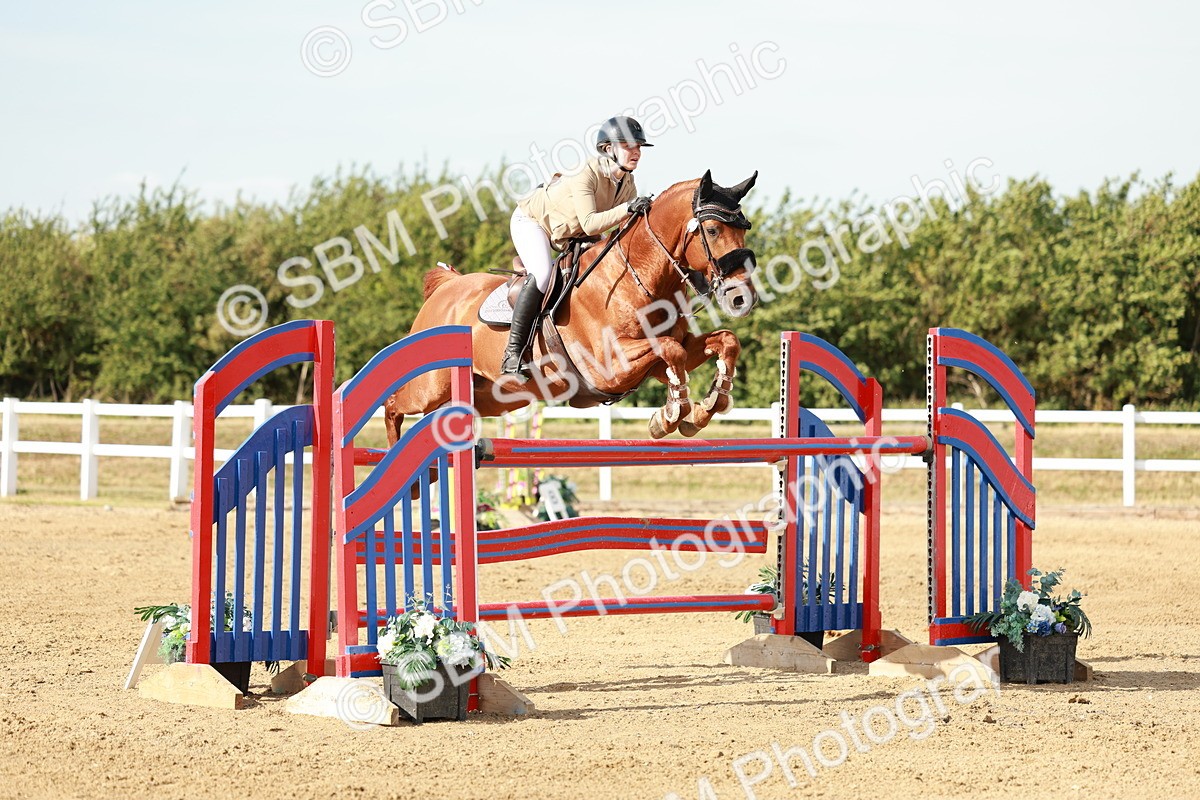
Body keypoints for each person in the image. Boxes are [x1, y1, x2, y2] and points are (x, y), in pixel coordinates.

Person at [501, 115, 655, 378]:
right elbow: (590, 223)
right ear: (609, 149)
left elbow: (620, 230)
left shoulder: (627, 182)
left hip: (571, 233)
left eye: (639, 147)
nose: (636, 152)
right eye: (629, 146)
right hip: (534, 222)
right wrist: (628, 208)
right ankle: (512, 355)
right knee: (542, 274)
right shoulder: (587, 173)